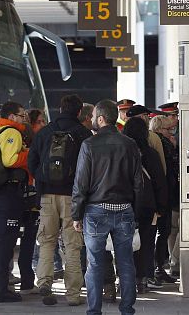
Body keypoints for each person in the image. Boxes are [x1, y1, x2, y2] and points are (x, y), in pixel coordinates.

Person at [72, 99, 143, 315]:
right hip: (124, 209)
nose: (92, 119)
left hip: (96, 211)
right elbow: (138, 183)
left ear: (101, 119)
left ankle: (94, 311)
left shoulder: (89, 145)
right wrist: (136, 213)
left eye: (94, 116)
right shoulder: (130, 144)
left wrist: (76, 214)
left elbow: (81, 183)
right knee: (126, 263)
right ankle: (127, 310)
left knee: (95, 264)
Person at [27, 94, 92, 306]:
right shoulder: (83, 134)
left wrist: (42, 178)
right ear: (79, 112)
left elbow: (32, 162)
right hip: (73, 197)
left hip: (47, 196)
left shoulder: (45, 132)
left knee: (47, 241)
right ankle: (73, 294)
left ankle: (44, 283)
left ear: (60, 109)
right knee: (72, 246)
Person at [0, 101, 31, 303]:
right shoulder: (12, 132)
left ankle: (0, 287)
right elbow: (9, 160)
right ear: (12, 116)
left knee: (1, 240)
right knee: (5, 242)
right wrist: (29, 155)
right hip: (8, 194)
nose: (24, 118)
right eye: (22, 115)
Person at [123, 117, 168, 294]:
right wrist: (161, 207)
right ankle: (144, 279)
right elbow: (160, 182)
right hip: (148, 205)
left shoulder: (122, 152)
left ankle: (126, 279)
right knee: (147, 242)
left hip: (125, 203)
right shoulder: (151, 154)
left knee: (125, 242)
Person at [150, 115, 181, 281]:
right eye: (168, 129)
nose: (171, 132)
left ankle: (158, 267)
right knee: (164, 230)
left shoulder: (157, 142)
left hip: (161, 193)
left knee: (164, 231)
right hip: (166, 192)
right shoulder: (164, 144)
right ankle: (158, 267)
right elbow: (171, 168)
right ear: (159, 129)